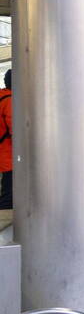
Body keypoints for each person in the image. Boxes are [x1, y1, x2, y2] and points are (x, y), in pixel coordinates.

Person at [0, 70, 12, 210]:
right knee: (8, 197)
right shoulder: (10, 101)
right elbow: (15, 129)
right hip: (8, 154)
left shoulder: (2, 96)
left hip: (3, 151)